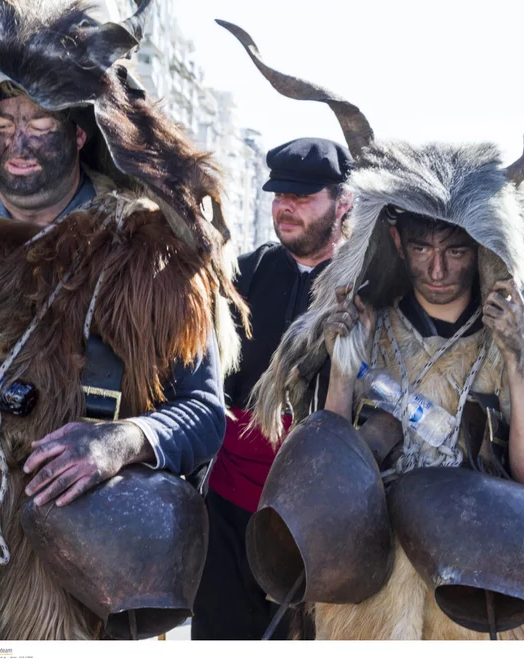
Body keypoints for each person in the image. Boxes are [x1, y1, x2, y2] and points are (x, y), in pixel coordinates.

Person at [222, 16, 524, 639]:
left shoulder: (517, 338)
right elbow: (327, 461)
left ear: (483, 249)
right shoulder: (366, 322)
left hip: (484, 588)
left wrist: (515, 362)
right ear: (397, 240)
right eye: (423, 248)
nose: (437, 269)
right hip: (368, 587)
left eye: (455, 252)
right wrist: (346, 366)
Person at [0, 0, 242, 639]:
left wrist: (116, 443)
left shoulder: (151, 258)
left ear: (79, 133)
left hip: (81, 570)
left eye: (38, 118)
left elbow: (203, 413)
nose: (17, 138)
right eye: (4, 117)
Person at [191, 137, 352, 641]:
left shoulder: (365, 290)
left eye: (303, 197)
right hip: (228, 512)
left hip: (317, 522)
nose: (285, 207)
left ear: (342, 204)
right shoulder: (243, 275)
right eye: (280, 194)